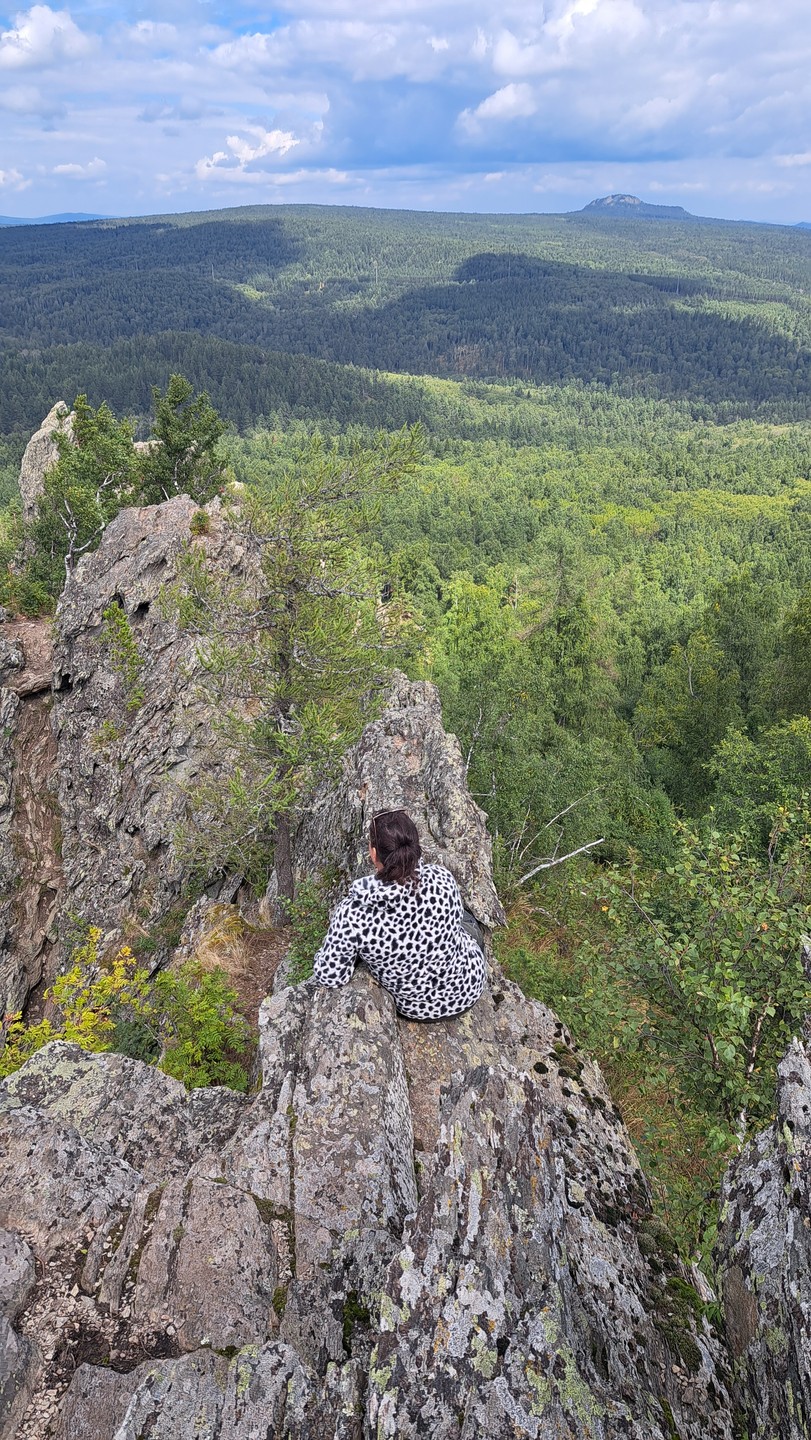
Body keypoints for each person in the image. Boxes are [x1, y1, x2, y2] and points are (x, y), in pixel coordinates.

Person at [313, 809, 487, 1021]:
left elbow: (329, 975)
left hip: (419, 1010)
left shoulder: (353, 914)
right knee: (468, 922)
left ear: (374, 853)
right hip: (468, 987)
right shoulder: (442, 878)